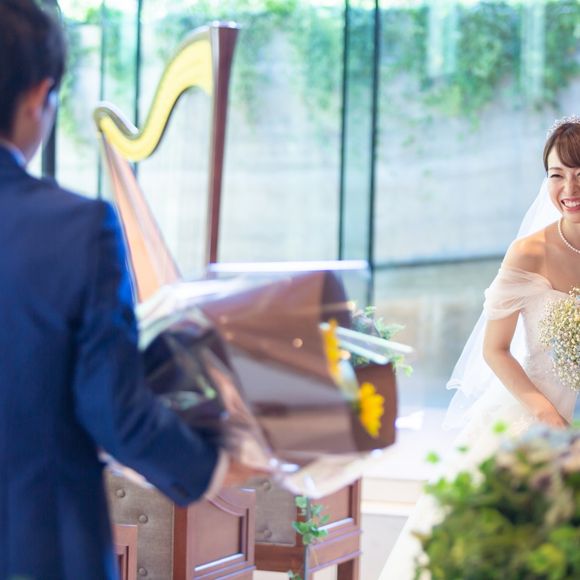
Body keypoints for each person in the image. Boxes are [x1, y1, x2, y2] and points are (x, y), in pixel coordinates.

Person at [0, 2, 255, 579]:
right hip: (37, 549)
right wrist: (215, 466)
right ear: (38, 96)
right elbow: (113, 411)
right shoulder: (74, 229)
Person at [379, 118, 580, 579]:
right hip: (535, 416)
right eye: (557, 175)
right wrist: (547, 416)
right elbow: (496, 349)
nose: (569, 188)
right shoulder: (530, 252)